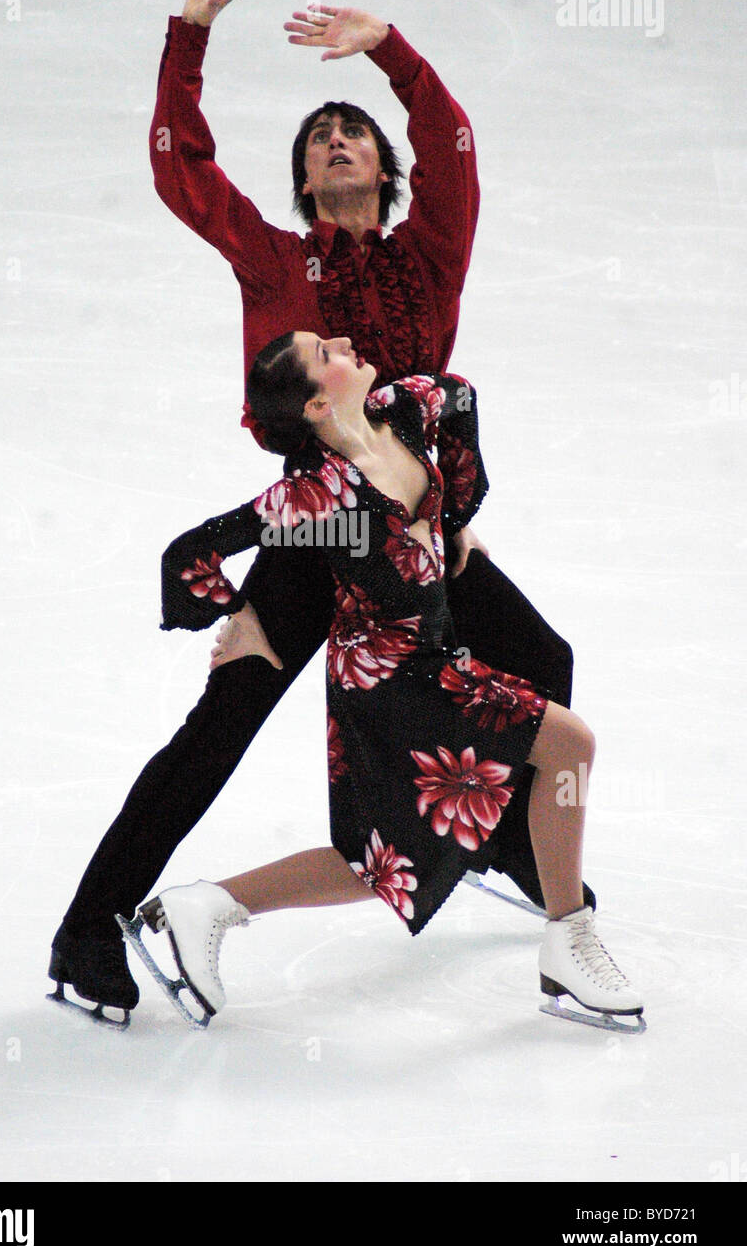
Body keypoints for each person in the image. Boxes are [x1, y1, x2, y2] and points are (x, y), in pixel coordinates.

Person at [49, 0, 589, 1017]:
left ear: (384, 171)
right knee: (222, 724)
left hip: (415, 518)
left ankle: (500, 841)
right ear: (304, 181)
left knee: (541, 660)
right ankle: (88, 928)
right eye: (316, 138)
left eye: (353, 134)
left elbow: (455, 147)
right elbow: (180, 172)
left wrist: (389, 51)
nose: (335, 140)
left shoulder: (429, 255)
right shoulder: (275, 260)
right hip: (312, 529)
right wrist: (189, 35)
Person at [123, 332, 642, 1032]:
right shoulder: (316, 495)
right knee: (567, 745)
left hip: (433, 658)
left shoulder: (404, 409)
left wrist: (453, 520)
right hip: (385, 683)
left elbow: (461, 396)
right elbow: (189, 554)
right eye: (325, 352)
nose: (343, 342)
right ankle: (569, 938)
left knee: (383, 864)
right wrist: (240, 616)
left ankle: (208, 904)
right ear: (315, 404)